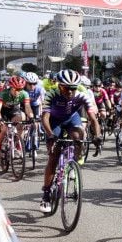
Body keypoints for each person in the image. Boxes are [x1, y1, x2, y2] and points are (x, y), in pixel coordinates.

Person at [39, 70, 100, 212]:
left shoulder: (82, 95)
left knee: (79, 136)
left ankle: (74, 162)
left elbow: (93, 119)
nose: (70, 91)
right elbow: (45, 118)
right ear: (60, 86)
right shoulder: (52, 94)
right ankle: (46, 195)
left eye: (73, 88)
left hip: (71, 118)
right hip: (54, 121)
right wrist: (50, 134)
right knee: (53, 157)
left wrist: (97, 136)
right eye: (67, 88)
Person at [0, 76, 33, 156]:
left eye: (20, 89)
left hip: (14, 111)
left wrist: (31, 117)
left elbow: (28, 108)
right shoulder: (3, 93)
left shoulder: (24, 94)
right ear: (11, 87)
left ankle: (18, 144)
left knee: (21, 123)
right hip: (2, 112)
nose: (18, 91)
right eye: (16, 89)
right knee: (3, 130)